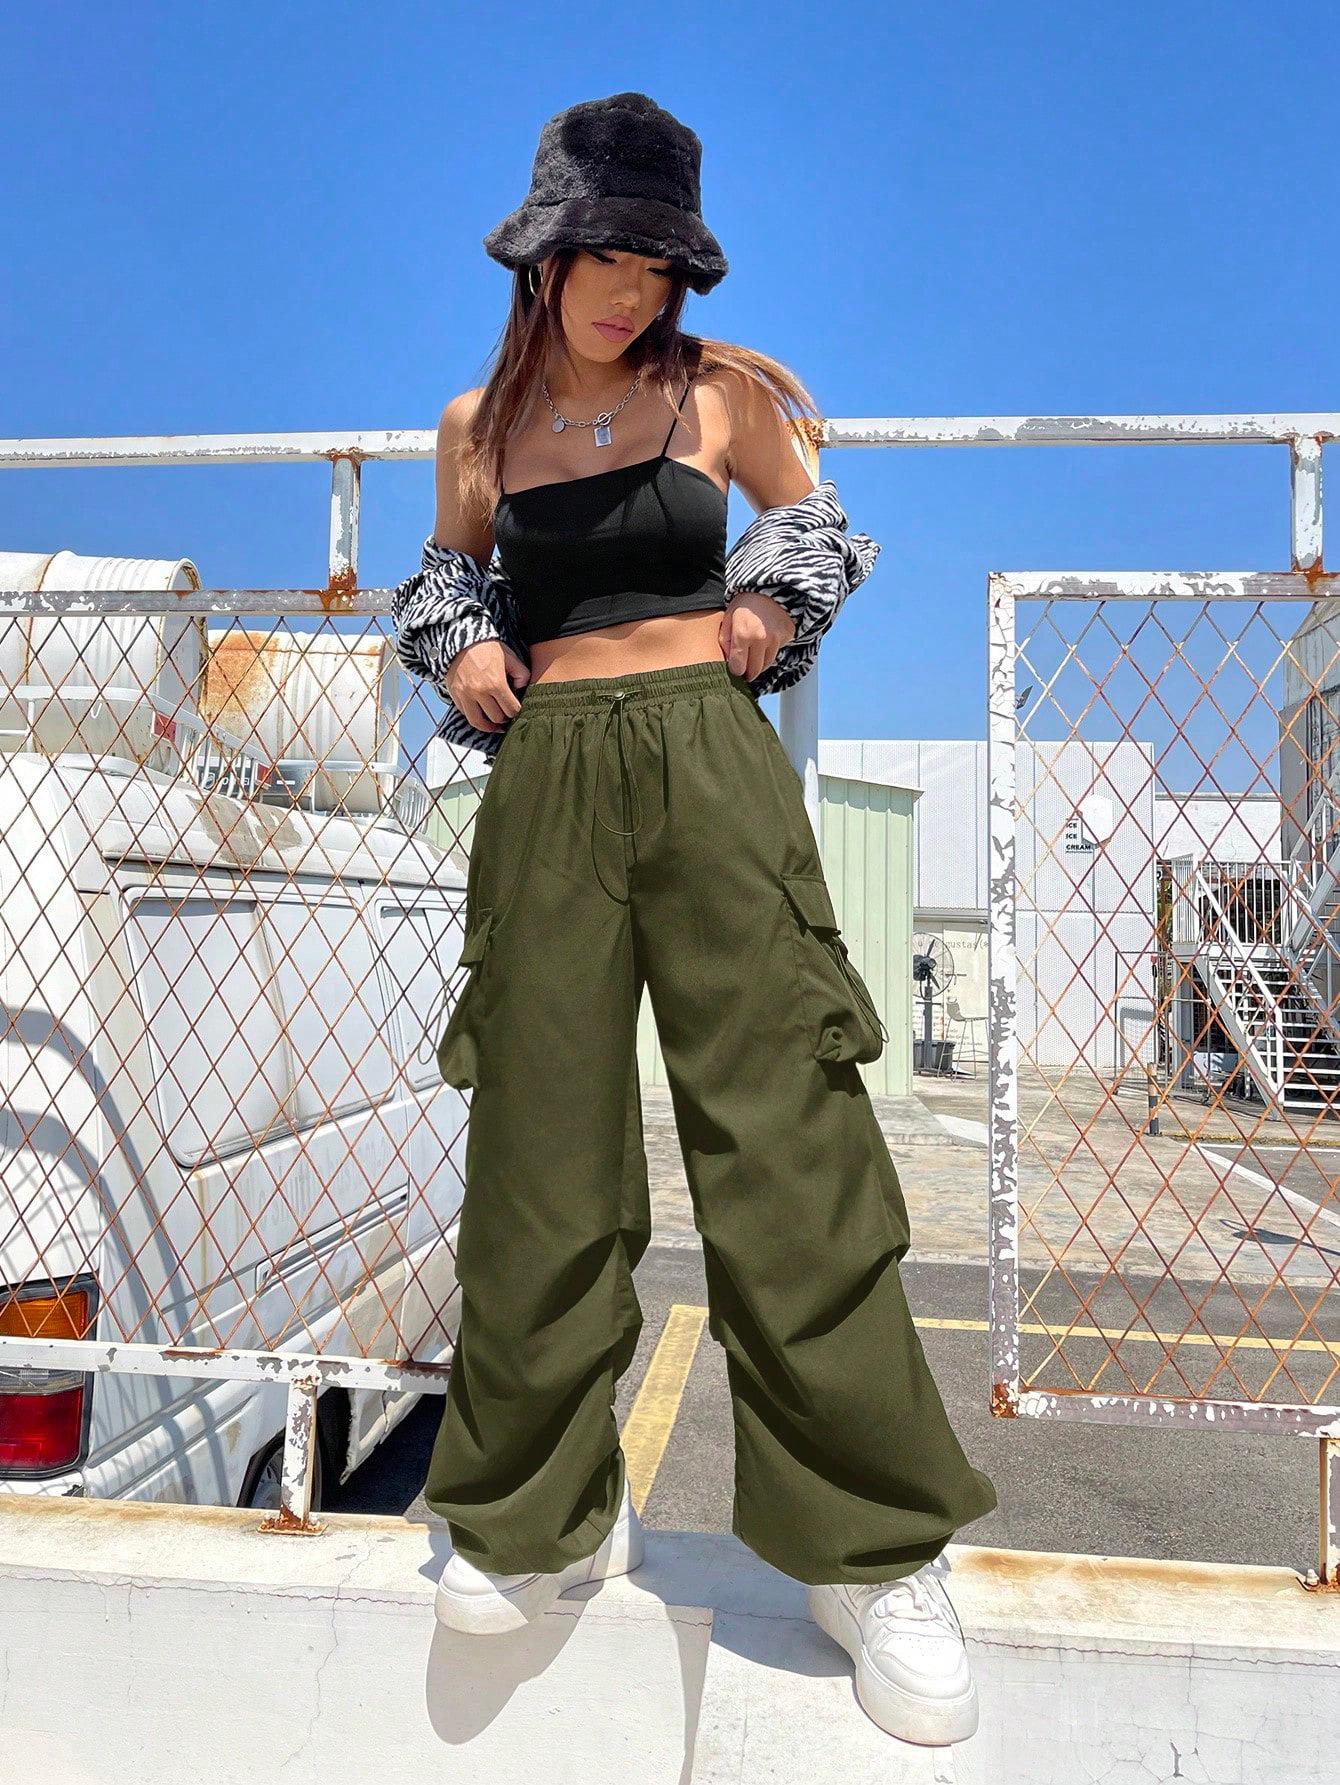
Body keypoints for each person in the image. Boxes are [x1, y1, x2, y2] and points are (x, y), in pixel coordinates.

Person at [391, 90, 998, 1750]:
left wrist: (769, 607)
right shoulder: (475, 424)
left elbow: (817, 528)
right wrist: (461, 642)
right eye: (604, 255)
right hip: (550, 781)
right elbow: (443, 578)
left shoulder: (721, 395)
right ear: (543, 253)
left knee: (789, 1134)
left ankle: (872, 1550)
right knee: (539, 1143)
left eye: (656, 263)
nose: (629, 289)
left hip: (712, 771)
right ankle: (540, 1514)